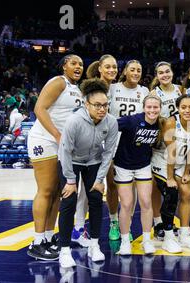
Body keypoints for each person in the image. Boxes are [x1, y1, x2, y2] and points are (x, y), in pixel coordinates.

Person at [27, 54, 84, 261]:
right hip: (45, 139)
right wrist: (57, 135)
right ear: (64, 67)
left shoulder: (76, 89)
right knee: (46, 190)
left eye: (81, 64)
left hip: (61, 143)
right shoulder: (58, 82)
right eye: (73, 63)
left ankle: (49, 237)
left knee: (57, 193)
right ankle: (37, 241)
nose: (78, 66)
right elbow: (39, 108)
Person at [58, 78, 118, 268]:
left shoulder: (111, 122)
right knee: (69, 201)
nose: (102, 109)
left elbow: (109, 152)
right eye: (97, 105)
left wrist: (100, 179)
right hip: (72, 160)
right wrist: (69, 180)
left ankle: (94, 245)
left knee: (95, 198)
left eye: (105, 105)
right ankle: (64, 250)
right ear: (86, 104)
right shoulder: (74, 121)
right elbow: (65, 150)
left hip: (94, 161)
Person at [151, 94, 190, 253]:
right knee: (171, 193)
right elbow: (171, 152)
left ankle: (184, 235)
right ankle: (168, 237)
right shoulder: (170, 122)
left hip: (182, 163)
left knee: (187, 193)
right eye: (183, 107)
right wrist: (170, 178)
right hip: (163, 162)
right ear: (178, 108)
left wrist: (186, 173)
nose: (187, 110)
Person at [73, 54, 118, 247]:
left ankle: (112, 223)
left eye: (115, 67)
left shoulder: (117, 89)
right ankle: (78, 228)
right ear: (99, 68)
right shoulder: (89, 89)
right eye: (107, 67)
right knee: (86, 189)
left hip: (109, 141)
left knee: (107, 185)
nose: (111, 70)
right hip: (88, 143)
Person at [107, 60, 149, 241]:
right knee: (112, 186)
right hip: (112, 139)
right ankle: (113, 221)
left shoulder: (145, 91)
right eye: (132, 69)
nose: (136, 73)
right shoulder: (112, 88)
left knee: (129, 188)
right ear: (124, 71)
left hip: (132, 141)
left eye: (139, 70)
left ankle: (127, 224)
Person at [115, 95, 162, 255]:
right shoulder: (131, 121)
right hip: (123, 165)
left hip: (143, 165)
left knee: (146, 202)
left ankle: (147, 240)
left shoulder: (160, 124)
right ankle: (124, 241)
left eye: (155, 107)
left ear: (160, 109)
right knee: (127, 204)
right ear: (143, 108)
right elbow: (109, 125)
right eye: (149, 107)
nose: (152, 110)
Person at [149, 61, 182, 239]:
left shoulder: (180, 89)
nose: (164, 75)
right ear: (157, 75)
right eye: (160, 72)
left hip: (179, 144)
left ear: (172, 72)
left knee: (177, 187)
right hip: (160, 145)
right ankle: (158, 222)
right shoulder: (154, 93)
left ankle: (173, 220)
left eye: (167, 71)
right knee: (157, 187)